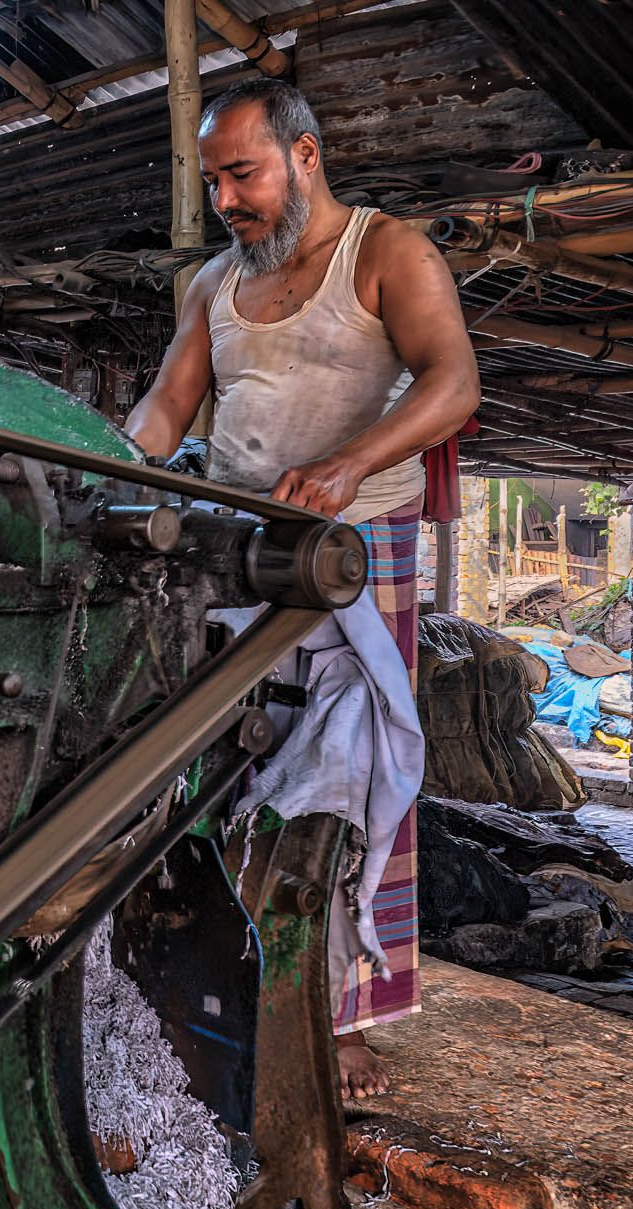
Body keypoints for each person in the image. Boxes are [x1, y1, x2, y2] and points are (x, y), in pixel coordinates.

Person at [124, 76, 479, 1099]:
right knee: (243, 766)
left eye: (245, 172)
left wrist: (349, 466)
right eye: (214, 181)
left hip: (356, 551)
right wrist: (103, 462)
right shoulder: (211, 287)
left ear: (307, 156)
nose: (228, 198)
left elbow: (455, 383)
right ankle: (232, 974)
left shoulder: (388, 253)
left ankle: (350, 1012)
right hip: (238, 553)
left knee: (358, 768)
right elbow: (167, 408)